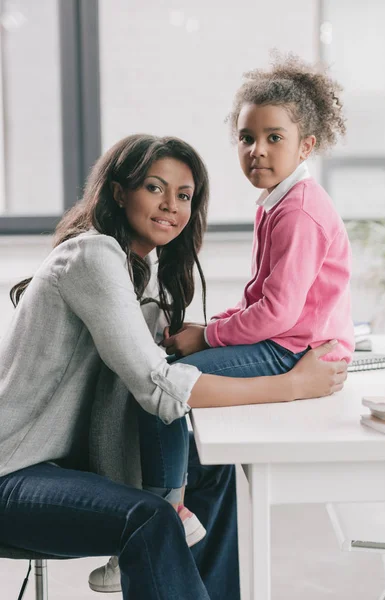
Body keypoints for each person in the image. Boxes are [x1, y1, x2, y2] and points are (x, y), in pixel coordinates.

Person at [0, 134, 347, 600]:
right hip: (14, 473)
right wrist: (291, 384)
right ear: (120, 192)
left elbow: (156, 372)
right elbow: (157, 388)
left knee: (211, 466)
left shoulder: (145, 277)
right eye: (155, 188)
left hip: (72, 467)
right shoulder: (92, 255)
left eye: (183, 196)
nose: (171, 206)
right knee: (151, 517)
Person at [90, 54, 355, 593]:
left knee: (168, 381)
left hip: (290, 350)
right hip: (284, 339)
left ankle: (168, 509)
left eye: (274, 137)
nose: (256, 150)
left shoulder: (299, 210)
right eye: (246, 137)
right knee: (173, 369)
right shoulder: (278, 203)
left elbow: (277, 314)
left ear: (305, 146)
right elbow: (261, 295)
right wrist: (212, 326)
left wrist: (207, 335)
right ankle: (179, 511)